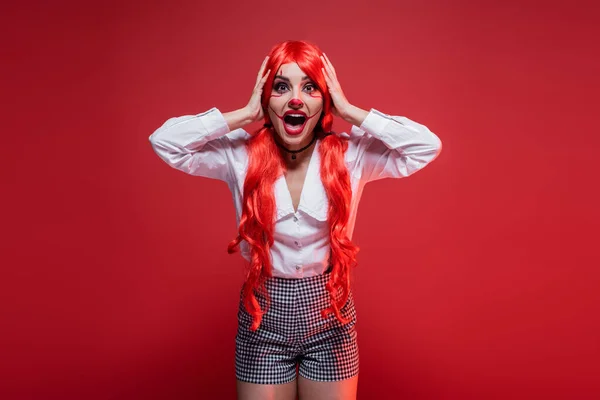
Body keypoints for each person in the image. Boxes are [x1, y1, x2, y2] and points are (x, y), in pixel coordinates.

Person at [149, 40, 442, 400]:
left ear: (325, 100)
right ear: (266, 99)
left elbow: (426, 146)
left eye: (310, 88)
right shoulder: (238, 155)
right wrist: (243, 114)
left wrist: (351, 111)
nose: (296, 100)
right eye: (281, 87)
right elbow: (165, 142)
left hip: (330, 317)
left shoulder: (351, 155)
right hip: (263, 318)